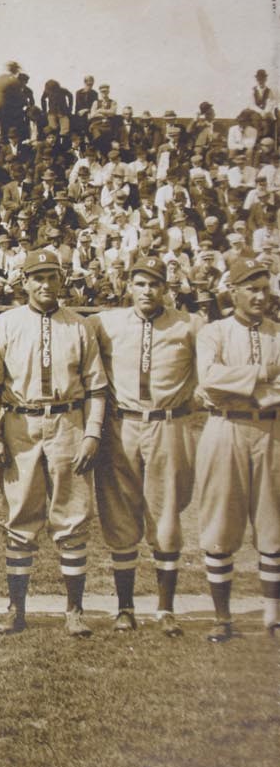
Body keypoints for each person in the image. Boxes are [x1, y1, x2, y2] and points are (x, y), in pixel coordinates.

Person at [0, 249, 109, 637]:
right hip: (20, 423)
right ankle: (15, 610)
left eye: (51, 277)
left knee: (71, 518)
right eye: (37, 277)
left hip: (68, 422)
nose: (45, 284)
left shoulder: (79, 326)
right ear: (24, 282)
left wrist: (92, 432)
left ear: (61, 279)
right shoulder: (6, 323)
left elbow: (97, 387)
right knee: (20, 518)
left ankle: (74, 611)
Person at [91, 256, 201, 636]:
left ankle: (165, 609)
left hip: (169, 424)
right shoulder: (105, 323)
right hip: (122, 426)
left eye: (154, 284)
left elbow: (210, 372)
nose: (147, 291)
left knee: (166, 512)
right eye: (140, 283)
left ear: (165, 289)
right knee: (120, 514)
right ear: (129, 287)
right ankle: (125, 608)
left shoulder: (190, 325)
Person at [193, 256, 280, 642]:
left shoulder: (277, 333)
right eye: (252, 288)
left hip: (271, 430)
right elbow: (209, 379)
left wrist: (242, 383)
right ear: (233, 291)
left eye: (265, 288)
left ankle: (272, 617)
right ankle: (222, 617)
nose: (260, 296)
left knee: (273, 522)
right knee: (220, 524)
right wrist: (262, 375)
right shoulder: (214, 332)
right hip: (224, 426)